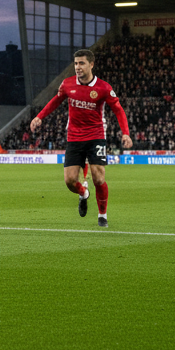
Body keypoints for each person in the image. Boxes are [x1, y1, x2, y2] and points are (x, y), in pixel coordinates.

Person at [30, 49, 132, 227]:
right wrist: (39, 116)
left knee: (98, 178)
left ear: (91, 64)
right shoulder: (67, 84)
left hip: (96, 135)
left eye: (81, 63)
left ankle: (102, 215)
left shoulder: (104, 87)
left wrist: (126, 133)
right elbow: (56, 100)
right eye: (76, 63)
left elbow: (118, 109)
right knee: (69, 180)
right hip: (74, 136)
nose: (77, 67)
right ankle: (83, 193)